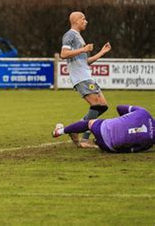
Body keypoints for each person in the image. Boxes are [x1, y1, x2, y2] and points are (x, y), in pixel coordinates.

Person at [60, 11, 112, 148]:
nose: (86, 21)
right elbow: (63, 54)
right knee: (96, 105)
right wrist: (83, 50)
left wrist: (102, 52)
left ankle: (75, 129)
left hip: (86, 76)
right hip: (80, 78)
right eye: (83, 19)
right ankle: (84, 140)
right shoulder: (70, 35)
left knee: (103, 106)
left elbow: (85, 61)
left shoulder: (79, 37)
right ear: (76, 21)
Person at [52, 105, 154, 153]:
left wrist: (124, 121)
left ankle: (59, 131)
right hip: (108, 147)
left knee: (89, 123)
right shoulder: (150, 143)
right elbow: (130, 150)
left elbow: (119, 107)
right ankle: (97, 142)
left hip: (103, 128)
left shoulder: (144, 112)